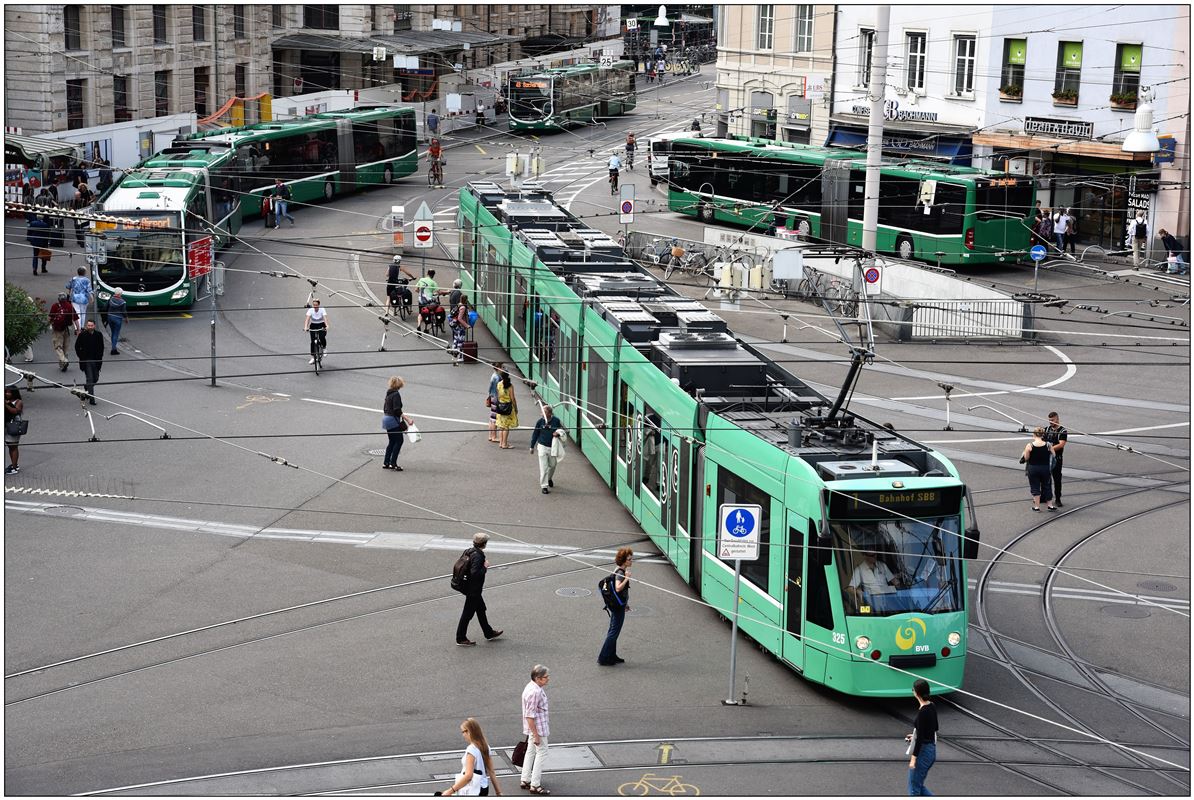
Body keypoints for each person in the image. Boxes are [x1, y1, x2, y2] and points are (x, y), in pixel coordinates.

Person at [456, 532, 503, 646]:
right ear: (484, 543)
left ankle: (488, 632)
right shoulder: (478, 555)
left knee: (481, 610)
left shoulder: (469, 551)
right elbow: (475, 573)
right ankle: (461, 638)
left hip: (469, 587)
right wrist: (485, 566)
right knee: (467, 614)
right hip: (473, 590)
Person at [440, 717, 502, 797]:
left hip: (472, 789)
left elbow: (468, 776)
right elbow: (491, 771)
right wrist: (498, 792)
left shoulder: (471, 750)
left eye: (463, 732)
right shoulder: (486, 747)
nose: (463, 735)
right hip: (484, 787)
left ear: (469, 732)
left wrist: (451, 790)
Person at [520, 665, 552, 795]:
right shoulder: (535, 692)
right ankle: (535, 784)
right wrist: (536, 735)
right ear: (538, 678)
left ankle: (525, 779)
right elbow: (530, 715)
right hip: (538, 728)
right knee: (542, 753)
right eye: (546, 677)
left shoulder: (531, 686)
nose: (548, 679)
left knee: (531, 751)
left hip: (533, 728)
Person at [598, 547, 633, 666]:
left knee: (613, 630)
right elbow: (618, 588)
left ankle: (611, 655)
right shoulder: (620, 573)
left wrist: (626, 604)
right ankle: (603, 657)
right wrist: (627, 577)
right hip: (618, 607)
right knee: (614, 632)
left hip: (617, 605)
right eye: (629, 559)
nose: (631, 561)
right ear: (623, 561)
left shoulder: (618, 570)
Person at [906, 679, 938, 795]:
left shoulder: (922, 712)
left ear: (916, 693)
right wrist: (915, 734)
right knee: (918, 786)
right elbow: (934, 728)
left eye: (913, 689)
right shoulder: (932, 706)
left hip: (923, 753)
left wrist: (913, 760)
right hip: (931, 750)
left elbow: (920, 740)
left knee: (914, 789)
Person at [529, 404, 564, 494]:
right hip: (542, 446)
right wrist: (532, 446)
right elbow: (535, 433)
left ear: (549, 413)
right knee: (544, 468)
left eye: (544, 412)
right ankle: (544, 486)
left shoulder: (556, 421)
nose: (542, 413)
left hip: (552, 447)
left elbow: (562, 431)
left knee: (552, 465)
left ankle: (549, 478)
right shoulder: (540, 422)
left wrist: (558, 433)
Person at [1020, 426, 1055, 512]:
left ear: (1034, 435)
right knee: (1047, 486)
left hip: (1033, 468)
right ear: (1043, 435)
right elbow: (1054, 455)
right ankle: (1050, 505)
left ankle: (1036, 507)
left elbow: (1026, 458)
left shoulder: (1030, 445)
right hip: (1045, 468)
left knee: (1035, 486)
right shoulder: (1048, 445)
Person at [382, 376, 413, 471]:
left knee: (392, 441)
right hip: (392, 419)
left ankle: (386, 462)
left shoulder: (388, 393)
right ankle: (393, 463)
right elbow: (397, 410)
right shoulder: (396, 394)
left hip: (386, 419)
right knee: (399, 441)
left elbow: (385, 408)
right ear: (399, 385)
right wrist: (407, 419)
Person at [74, 319, 105, 405]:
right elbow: (77, 347)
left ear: (94, 326)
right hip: (86, 360)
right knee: (90, 379)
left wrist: (100, 357)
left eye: (91, 325)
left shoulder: (99, 335)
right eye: (88, 325)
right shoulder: (82, 335)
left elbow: (101, 347)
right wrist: (81, 356)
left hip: (96, 360)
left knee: (96, 378)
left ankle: (87, 387)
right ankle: (92, 399)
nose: (90, 327)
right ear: (86, 326)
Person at [48, 292, 79, 371]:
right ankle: (63, 365)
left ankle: (64, 361)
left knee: (58, 346)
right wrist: (78, 329)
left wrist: (50, 324)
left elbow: (50, 317)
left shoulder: (55, 306)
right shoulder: (69, 306)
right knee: (65, 347)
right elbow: (75, 319)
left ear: (58, 299)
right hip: (66, 329)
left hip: (57, 330)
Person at [1043, 411, 1068, 508]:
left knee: (1057, 479)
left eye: (1052, 420)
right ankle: (1045, 496)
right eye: (1049, 420)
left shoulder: (1063, 431)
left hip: (1057, 458)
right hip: (1046, 458)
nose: (1050, 422)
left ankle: (1058, 498)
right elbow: (1042, 440)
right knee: (1045, 478)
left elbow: (1061, 444)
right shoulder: (1047, 429)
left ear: (1057, 419)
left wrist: (1049, 448)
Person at [495, 370, 518, 449]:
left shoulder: (499, 384)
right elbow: (513, 399)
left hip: (500, 407)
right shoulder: (510, 386)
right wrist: (516, 408)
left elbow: (498, 396)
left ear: (501, 376)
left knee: (501, 426)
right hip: (508, 407)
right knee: (506, 427)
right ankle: (505, 444)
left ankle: (501, 443)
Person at [5, 388, 24, 474]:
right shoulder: (7, 400)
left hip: (14, 426)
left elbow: (15, 411)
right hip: (6, 426)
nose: (7, 394)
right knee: (10, 446)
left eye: (9, 392)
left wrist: (6, 404)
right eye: (5, 392)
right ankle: (14, 464)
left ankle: (14, 467)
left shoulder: (18, 401)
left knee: (13, 446)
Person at [104, 287, 128, 355]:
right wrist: (126, 318)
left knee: (113, 332)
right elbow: (124, 311)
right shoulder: (123, 302)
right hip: (117, 318)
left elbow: (105, 307)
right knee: (116, 333)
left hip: (110, 317)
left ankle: (113, 347)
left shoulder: (110, 299)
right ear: (120, 293)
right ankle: (113, 349)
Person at [304, 298, 328, 365]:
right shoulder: (310, 310)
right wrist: (306, 327)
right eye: (314, 305)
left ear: (319, 305)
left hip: (321, 325)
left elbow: (325, 318)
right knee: (312, 341)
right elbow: (307, 319)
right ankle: (312, 357)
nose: (315, 306)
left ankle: (324, 348)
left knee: (321, 337)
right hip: (313, 325)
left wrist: (327, 325)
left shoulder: (322, 309)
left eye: (316, 305)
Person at [486, 361, 505, 443]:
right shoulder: (498, 378)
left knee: (491, 418)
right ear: (498, 368)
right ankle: (494, 437)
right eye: (502, 367)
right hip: (497, 398)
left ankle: (490, 436)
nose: (503, 369)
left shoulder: (493, 375)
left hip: (492, 397)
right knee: (494, 419)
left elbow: (490, 388)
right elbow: (499, 389)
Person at [449, 292, 470, 364]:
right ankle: (460, 357)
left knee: (455, 340)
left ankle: (454, 356)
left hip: (455, 325)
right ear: (466, 300)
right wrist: (467, 325)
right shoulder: (463, 307)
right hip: (460, 326)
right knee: (460, 342)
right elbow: (460, 318)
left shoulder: (459, 305)